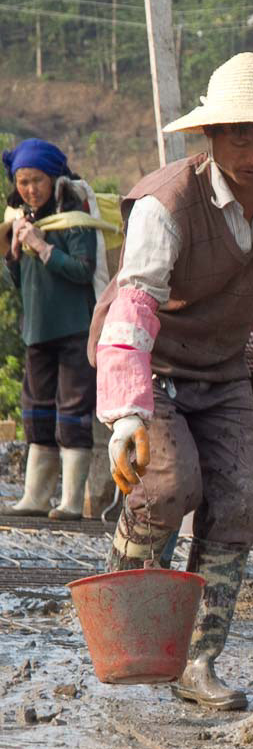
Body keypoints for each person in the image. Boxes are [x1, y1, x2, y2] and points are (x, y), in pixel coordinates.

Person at [87, 52, 253, 710]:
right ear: (209, 134)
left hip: (224, 365)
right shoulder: (167, 204)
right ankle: (120, 622)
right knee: (167, 487)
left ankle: (198, 660)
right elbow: (135, 307)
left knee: (237, 501)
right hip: (154, 364)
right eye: (239, 136)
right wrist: (127, 415)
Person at [2, 139, 104, 519]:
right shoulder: (23, 220)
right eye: (23, 182)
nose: (30, 189)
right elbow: (19, 281)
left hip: (75, 330)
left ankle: (71, 502)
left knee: (73, 414)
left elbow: (83, 270)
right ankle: (35, 497)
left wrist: (44, 248)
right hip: (38, 332)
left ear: (54, 177)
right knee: (37, 413)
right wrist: (15, 252)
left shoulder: (74, 214)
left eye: (37, 180)